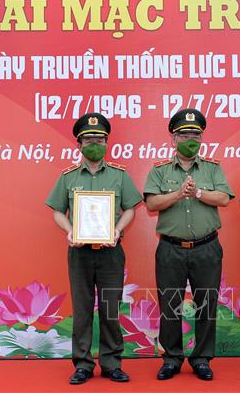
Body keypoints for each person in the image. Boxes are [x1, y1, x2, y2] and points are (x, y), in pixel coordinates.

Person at [45, 113, 142, 384]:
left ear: (107, 142)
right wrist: (70, 230)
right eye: (89, 140)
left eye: (99, 140)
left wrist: (117, 229)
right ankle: (83, 364)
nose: (94, 144)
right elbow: (57, 211)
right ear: (79, 144)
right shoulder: (68, 177)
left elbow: (131, 209)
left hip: (111, 252)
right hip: (80, 253)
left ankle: (111, 363)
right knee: (82, 310)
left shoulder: (119, 175)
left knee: (110, 309)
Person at [143, 108, 234, 381]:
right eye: (184, 135)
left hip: (207, 248)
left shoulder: (212, 168)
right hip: (170, 249)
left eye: (196, 135)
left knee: (206, 304)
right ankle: (171, 358)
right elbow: (151, 203)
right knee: (169, 305)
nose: (190, 139)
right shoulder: (160, 170)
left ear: (202, 138)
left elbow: (224, 198)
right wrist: (178, 194)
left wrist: (199, 192)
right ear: (174, 138)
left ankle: (202, 359)